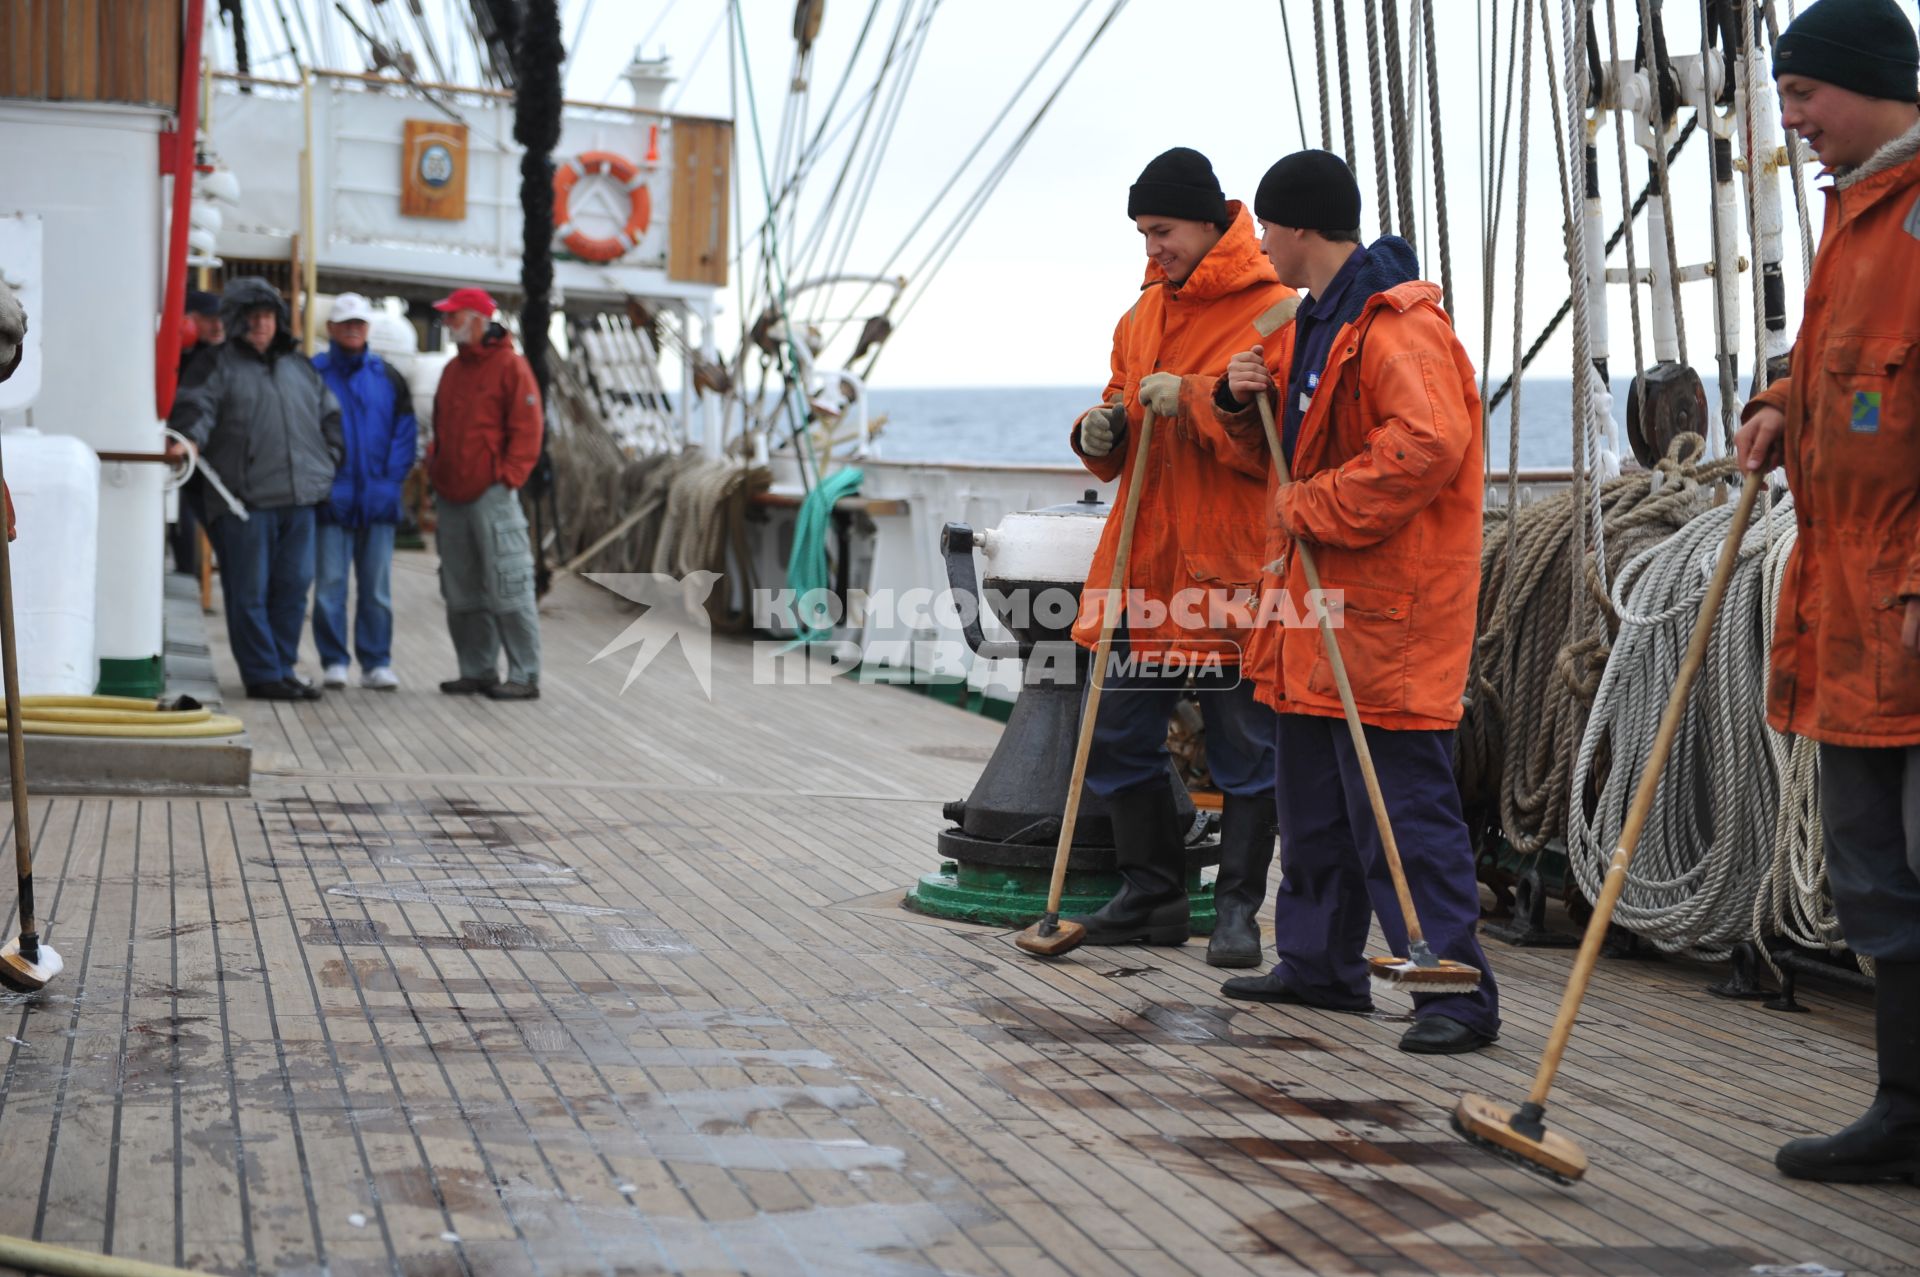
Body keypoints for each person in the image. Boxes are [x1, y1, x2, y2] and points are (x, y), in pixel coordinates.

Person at [1195, 150, 1498, 1054]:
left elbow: (1427, 445)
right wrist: (1236, 401)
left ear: (1294, 228)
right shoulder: (1306, 329)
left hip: (1386, 620)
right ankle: (1321, 964)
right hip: (1315, 618)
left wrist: (1311, 508)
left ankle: (1455, 995)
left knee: (1404, 818)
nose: (1260, 246)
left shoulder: (1396, 328)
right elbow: (1270, 454)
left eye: (1266, 231)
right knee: (1317, 805)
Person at [1734, 0, 1920, 1184]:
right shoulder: (1851, 221)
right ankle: (1904, 1105)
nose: (1789, 117)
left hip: (1908, 592)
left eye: (1802, 94)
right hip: (1848, 598)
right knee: (1869, 869)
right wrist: (1775, 400)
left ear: (1864, 84)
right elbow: (1837, 366)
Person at [1060, 148, 1293, 966]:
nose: (1150, 248)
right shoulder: (1141, 316)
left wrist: (1194, 397)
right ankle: (1154, 891)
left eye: (1160, 231)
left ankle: (1235, 913)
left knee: (1245, 751)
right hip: (1144, 564)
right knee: (1116, 736)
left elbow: (1274, 448)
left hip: (1228, 568)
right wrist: (1101, 431)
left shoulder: (1273, 311)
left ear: (1206, 221)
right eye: (1141, 233)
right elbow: (1118, 407)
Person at [167, 277, 343, 701]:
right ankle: (262, 674)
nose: (261, 324)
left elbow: (329, 415)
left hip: (300, 498)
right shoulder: (216, 364)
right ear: (237, 320)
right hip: (242, 502)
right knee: (249, 591)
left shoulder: (299, 366)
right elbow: (196, 406)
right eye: (252, 316)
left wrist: (330, 460)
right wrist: (188, 438)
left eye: (267, 315)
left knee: (294, 586)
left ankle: (283, 667)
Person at [427, 287, 543, 701]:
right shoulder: (452, 370)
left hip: (491, 493)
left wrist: (508, 477)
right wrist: (436, 468)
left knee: (508, 584)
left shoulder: (511, 367)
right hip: (452, 494)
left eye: (453, 316)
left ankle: (525, 674)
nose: (447, 323)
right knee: (460, 588)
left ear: (477, 320)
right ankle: (476, 669)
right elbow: (440, 428)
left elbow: (528, 429)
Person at [311, 293, 416, 691]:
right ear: (332, 329)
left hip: (377, 501)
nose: (353, 328)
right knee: (329, 588)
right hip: (331, 502)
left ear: (367, 328)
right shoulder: (315, 373)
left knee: (377, 590)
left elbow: (404, 434)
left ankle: (376, 663)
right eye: (346, 323)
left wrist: (389, 484)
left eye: (359, 322)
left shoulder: (388, 377)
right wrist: (324, 485)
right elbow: (307, 432)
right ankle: (334, 660)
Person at [169, 289, 224, 577]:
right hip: (177, 446)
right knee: (182, 513)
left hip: (202, 449)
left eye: (220, 319)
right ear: (188, 320)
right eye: (209, 319)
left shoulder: (217, 358)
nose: (218, 326)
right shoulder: (175, 350)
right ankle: (186, 570)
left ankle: (190, 571)